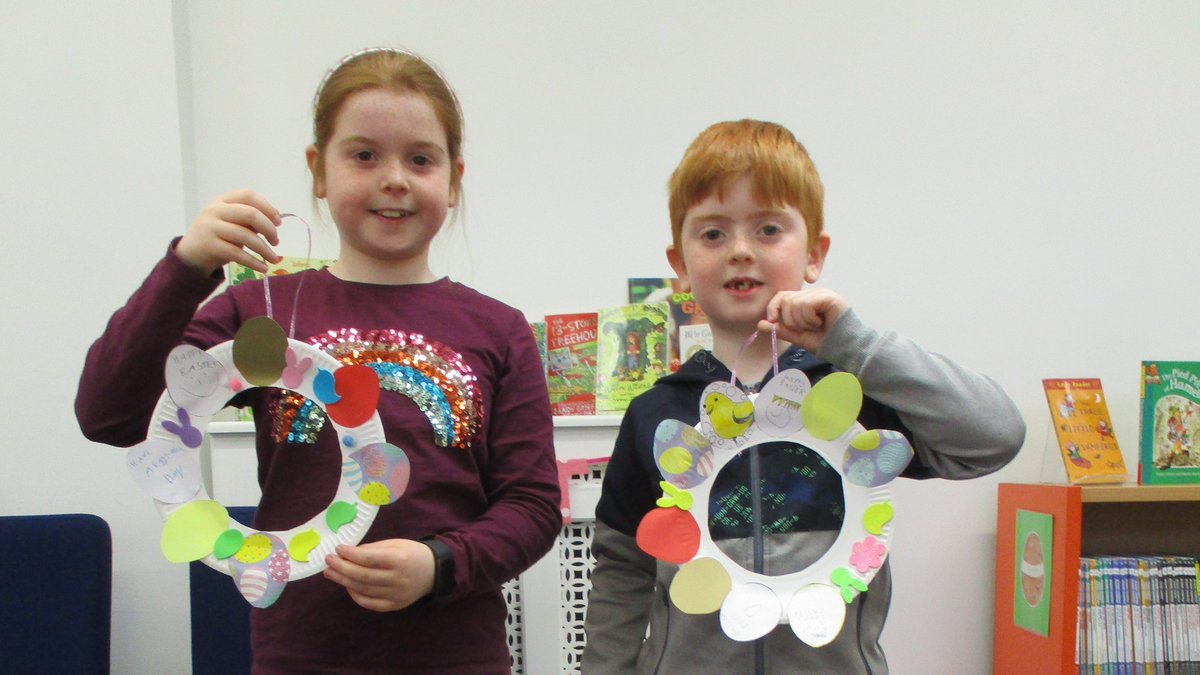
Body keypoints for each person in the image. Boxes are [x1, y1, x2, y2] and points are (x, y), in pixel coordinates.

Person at [75, 48, 561, 674]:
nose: (395, 178)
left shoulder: (499, 330)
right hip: (302, 654)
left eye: (420, 158)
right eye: (364, 155)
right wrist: (187, 267)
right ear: (319, 171)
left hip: (454, 654)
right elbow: (108, 413)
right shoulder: (260, 312)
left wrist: (439, 563)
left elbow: (532, 505)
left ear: (453, 178)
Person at [580, 119, 1025, 674]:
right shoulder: (656, 414)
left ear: (814, 254)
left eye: (768, 229)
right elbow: (621, 570)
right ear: (680, 267)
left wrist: (855, 345)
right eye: (713, 233)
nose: (740, 250)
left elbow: (996, 436)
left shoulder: (851, 396)